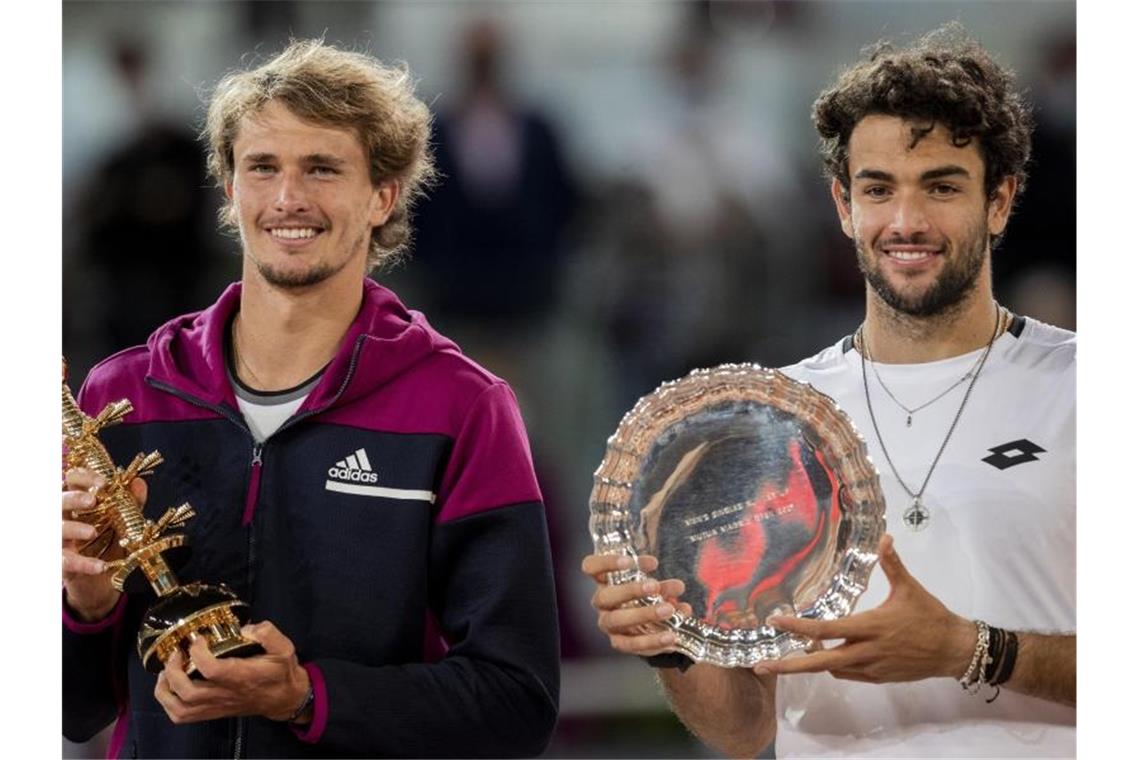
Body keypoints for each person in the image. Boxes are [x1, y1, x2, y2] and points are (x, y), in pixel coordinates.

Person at [583, 23, 1075, 758]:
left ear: (1000, 201)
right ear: (844, 205)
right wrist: (671, 646)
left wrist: (969, 651)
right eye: (879, 189)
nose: (906, 222)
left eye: (941, 186)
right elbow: (747, 729)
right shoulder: (774, 418)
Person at [62, 39, 560, 758]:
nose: (288, 199)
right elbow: (70, 710)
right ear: (229, 188)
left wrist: (305, 698)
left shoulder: (461, 409)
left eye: (322, 168)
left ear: (383, 195)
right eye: (262, 167)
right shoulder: (126, 395)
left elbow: (518, 703)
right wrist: (89, 605)